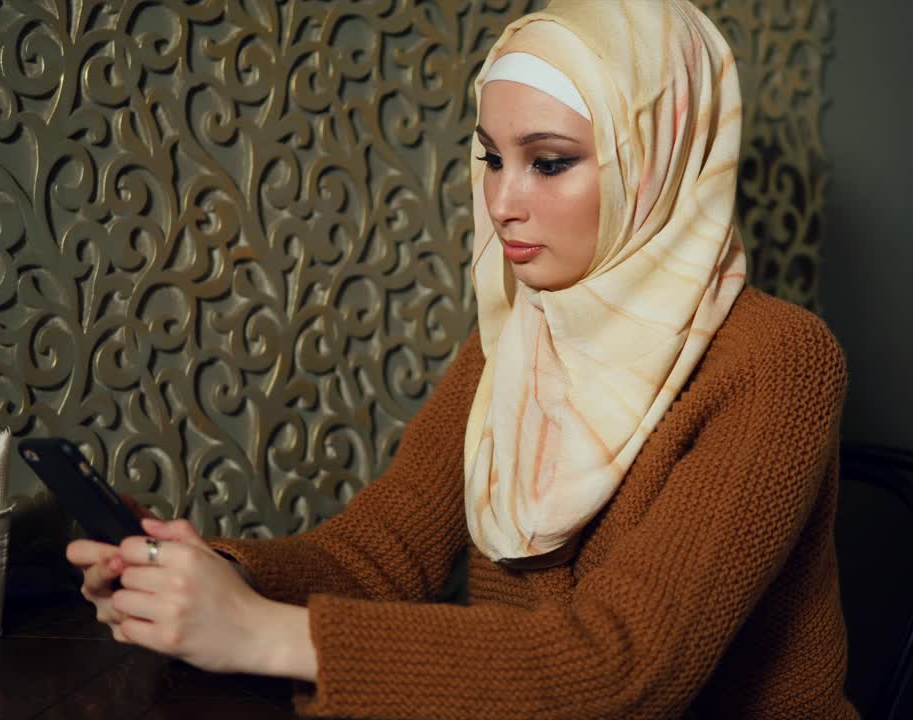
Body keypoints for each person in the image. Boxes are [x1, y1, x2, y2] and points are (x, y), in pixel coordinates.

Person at [66, 1, 857, 717]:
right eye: (491, 158)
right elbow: (381, 555)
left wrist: (259, 634)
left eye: (548, 162)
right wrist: (213, 575)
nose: (502, 201)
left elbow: (627, 670)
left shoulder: (779, 359)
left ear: (655, 162)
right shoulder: (518, 330)